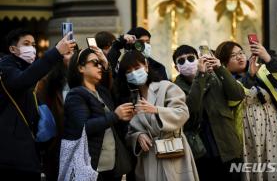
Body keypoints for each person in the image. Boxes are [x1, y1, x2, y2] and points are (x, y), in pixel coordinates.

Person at [215, 41, 277, 181]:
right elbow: (234, 98)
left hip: (273, 127)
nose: (239, 57)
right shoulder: (224, 80)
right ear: (224, 63)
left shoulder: (261, 69)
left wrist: (267, 58)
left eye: (241, 52)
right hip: (248, 131)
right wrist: (250, 76)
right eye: (233, 55)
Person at [0, 28, 75, 180]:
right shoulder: (6, 69)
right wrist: (56, 52)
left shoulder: (27, 69)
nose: (32, 48)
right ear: (13, 49)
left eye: (33, 44)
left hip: (28, 154)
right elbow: (22, 80)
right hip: (11, 159)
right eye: (26, 44)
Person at [116, 50, 199, 181]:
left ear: (146, 66)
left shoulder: (166, 87)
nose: (133, 73)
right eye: (128, 71)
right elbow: (130, 131)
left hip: (173, 152)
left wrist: (156, 110)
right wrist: (137, 136)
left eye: (137, 68)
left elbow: (182, 113)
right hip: (149, 158)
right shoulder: (132, 99)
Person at [172, 45, 245, 181]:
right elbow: (191, 110)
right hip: (200, 150)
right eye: (181, 61)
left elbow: (237, 95)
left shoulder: (216, 76)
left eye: (190, 58)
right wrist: (201, 75)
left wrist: (220, 69)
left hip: (227, 144)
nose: (186, 62)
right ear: (176, 68)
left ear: (198, 59)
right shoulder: (175, 88)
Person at [62, 47, 134, 181]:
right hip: (91, 168)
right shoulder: (76, 95)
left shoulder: (102, 91)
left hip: (112, 167)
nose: (100, 66)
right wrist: (115, 115)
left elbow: (114, 86)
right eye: (95, 63)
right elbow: (83, 127)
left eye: (100, 63)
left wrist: (123, 116)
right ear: (81, 68)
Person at [35, 43, 78, 181]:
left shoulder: (82, 78)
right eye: (67, 53)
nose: (71, 57)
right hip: (57, 142)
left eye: (74, 53)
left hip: (80, 140)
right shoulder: (48, 81)